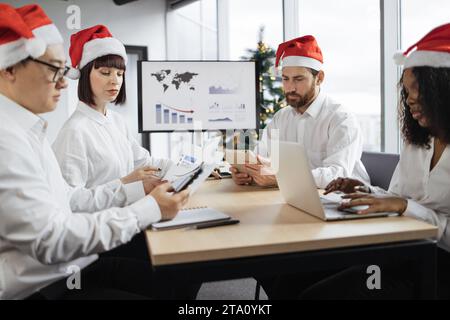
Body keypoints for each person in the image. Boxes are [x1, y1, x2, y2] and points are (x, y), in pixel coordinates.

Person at [0, 3, 188, 300]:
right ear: (9, 68)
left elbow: (72, 199)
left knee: (180, 275)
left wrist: (137, 190)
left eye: (64, 70)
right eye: (53, 69)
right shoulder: (8, 140)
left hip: (73, 265)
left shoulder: (30, 131)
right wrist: (149, 208)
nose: (64, 81)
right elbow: (53, 240)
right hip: (45, 287)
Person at [293, 23, 450, 299]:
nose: (410, 100)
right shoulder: (419, 141)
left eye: (419, 89)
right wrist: (370, 193)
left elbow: (406, 206)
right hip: (400, 253)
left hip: (437, 268)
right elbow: (398, 199)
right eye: (407, 90)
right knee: (293, 278)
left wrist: (405, 206)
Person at [230, 35, 369, 189]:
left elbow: (337, 174)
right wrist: (246, 172)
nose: (290, 88)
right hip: (297, 196)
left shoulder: (341, 119)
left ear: (319, 78)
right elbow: (260, 156)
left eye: (298, 79)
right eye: (285, 79)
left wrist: (282, 177)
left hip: (344, 199)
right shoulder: (281, 118)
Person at [52, 24, 171, 199]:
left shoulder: (116, 121)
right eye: (105, 72)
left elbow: (146, 163)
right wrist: (125, 182)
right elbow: (70, 200)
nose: (115, 81)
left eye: (120, 74)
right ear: (85, 75)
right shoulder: (74, 131)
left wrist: (194, 170)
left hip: (127, 215)